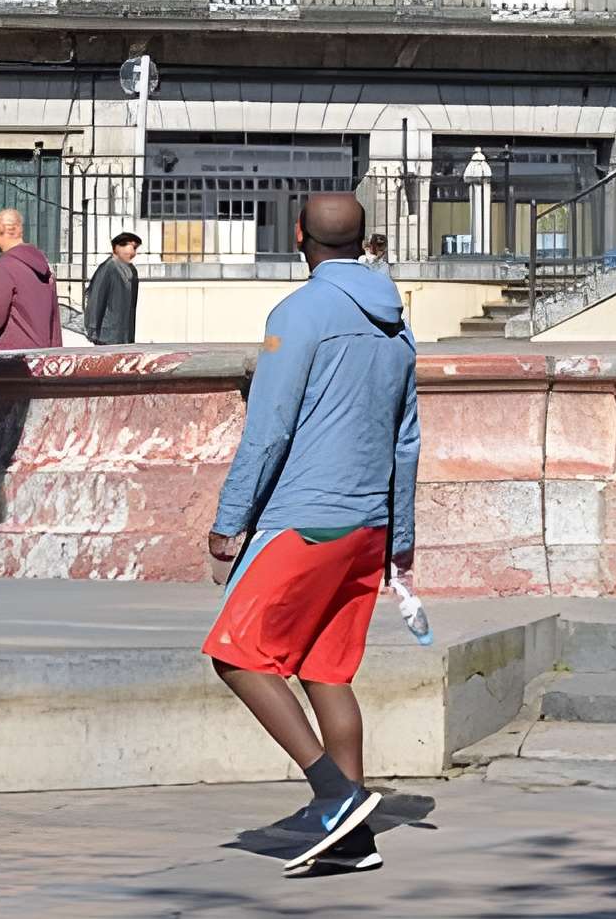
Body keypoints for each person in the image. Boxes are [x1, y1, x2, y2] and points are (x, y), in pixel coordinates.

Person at [205, 190, 419, 877]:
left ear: (299, 235)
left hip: (308, 516)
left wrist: (228, 521)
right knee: (326, 671)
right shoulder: (397, 325)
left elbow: (269, 430)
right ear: (362, 239)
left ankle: (333, 797)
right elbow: (406, 440)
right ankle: (354, 839)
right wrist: (400, 539)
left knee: (236, 654)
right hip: (369, 526)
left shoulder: (298, 313)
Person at [0, 210, 59, 352]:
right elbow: (53, 320)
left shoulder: (4, 267)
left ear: (2, 229)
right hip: (42, 356)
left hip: (12, 357)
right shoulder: (45, 268)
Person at [85, 232, 143, 347]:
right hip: (107, 335)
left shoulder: (131, 270)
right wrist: (93, 328)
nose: (133, 253)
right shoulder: (108, 268)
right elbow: (96, 299)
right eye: (132, 247)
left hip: (124, 333)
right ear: (117, 247)